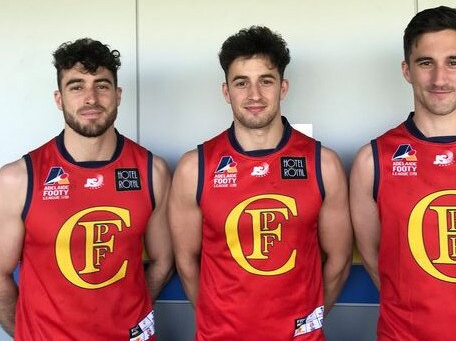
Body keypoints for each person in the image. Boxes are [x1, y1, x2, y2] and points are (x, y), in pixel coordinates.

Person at [169, 26, 352, 340]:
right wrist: (217, 319)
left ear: (283, 88)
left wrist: (307, 321)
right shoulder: (195, 167)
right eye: (242, 83)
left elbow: (339, 258)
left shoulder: (323, 164)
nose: (254, 95)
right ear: (226, 91)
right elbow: (186, 259)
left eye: (266, 81)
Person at [350, 6, 456, 340]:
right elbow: (377, 260)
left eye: (454, 62)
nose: (439, 78)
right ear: (407, 70)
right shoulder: (373, 161)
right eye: (426, 63)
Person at [0, 38, 173, 340]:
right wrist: (26, 333)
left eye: (102, 86)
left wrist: (130, 316)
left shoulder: (152, 172)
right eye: (77, 86)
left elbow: (163, 261)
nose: (91, 98)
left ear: (117, 95)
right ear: (59, 98)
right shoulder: (19, 179)